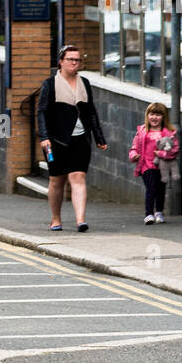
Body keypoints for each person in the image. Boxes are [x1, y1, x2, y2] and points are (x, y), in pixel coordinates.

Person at [37, 45, 108, 232]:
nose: (75, 63)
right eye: (71, 59)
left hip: (80, 139)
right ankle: (56, 219)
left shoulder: (84, 82)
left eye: (78, 60)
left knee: (78, 176)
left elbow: (91, 111)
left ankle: (80, 220)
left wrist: (99, 137)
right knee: (56, 180)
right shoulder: (50, 84)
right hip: (56, 140)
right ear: (61, 61)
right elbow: (42, 112)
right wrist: (44, 137)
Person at [129, 102, 180, 224]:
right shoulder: (142, 131)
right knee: (150, 188)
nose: (154, 118)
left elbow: (175, 149)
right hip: (146, 165)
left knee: (160, 190)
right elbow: (134, 147)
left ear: (163, 117)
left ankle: (159, 212)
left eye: (158, 115)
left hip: (163, 166)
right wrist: (133, 156)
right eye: (152, 114)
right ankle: (149, 214)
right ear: (147, 116)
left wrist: (162, 154)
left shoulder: (168, 133)